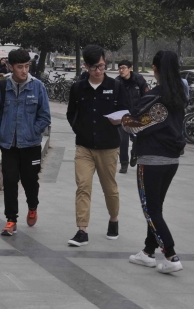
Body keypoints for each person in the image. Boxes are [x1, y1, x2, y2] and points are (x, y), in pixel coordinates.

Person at [124, 50, 187, 274]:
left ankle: (171, 255)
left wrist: (122, 120)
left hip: (151, 160)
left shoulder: (155, 98)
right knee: (156, 207)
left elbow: (135, 125)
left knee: (151, 210)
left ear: (155, 69)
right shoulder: (179, 95)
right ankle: (148, 252)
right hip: (172, 160)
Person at [66, 45, 130, 247]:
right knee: (83, 186)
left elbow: (126, 111)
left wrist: (119, 121)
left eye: (102, 66)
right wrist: (79, 129)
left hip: (108, 146)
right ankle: (82, 230)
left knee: (109, 188)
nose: (98, 70)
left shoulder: (116, 86)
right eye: (94, 67)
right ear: (86, 66)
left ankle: (114, 219)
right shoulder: (78, 88)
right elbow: (71, 113)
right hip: (84, 147)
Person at [0, 48, 51, 236]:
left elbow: (45, 116)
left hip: (31, 145)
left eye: (26, 66)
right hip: (8, 145)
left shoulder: (38, 87)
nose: (24, 71)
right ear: (11, 67)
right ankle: (11, 220)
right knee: (9, 181)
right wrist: (1, 129)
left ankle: (32, 206)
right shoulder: (2, 86)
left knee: (30, 180)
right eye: (20, 67)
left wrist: (33, 131)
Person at [115, 60, 149, 174]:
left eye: (124, 68)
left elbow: (146, 97)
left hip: (137, 115)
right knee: (123, 140)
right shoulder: (117, 82)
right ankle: (124, 163)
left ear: (130, 68)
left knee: (137, 139)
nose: (121, 70)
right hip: (123, 116)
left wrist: (141, 111)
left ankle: (134, 153)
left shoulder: (139, 80)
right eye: (120, 68)